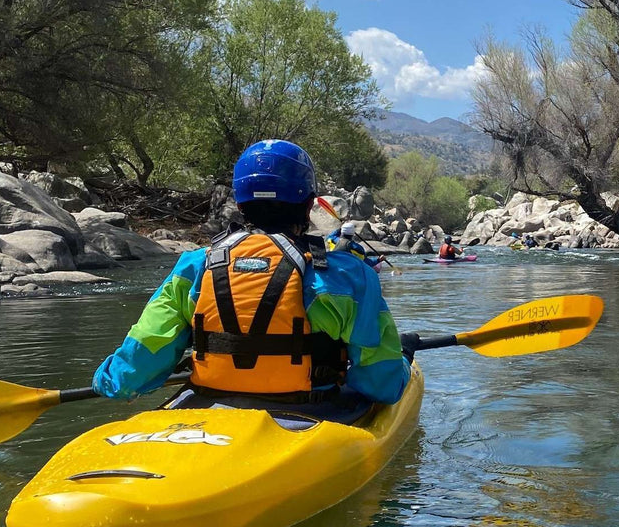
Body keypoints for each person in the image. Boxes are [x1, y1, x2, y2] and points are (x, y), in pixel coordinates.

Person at [91, 139, 409, 408]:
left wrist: (106, 379)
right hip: (310, 408)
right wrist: (404, 361)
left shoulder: (193, 267)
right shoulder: (346, 275)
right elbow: (383, 385)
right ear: (310, 203)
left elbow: (133, 370)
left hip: (210, 401)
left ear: (241, 206)